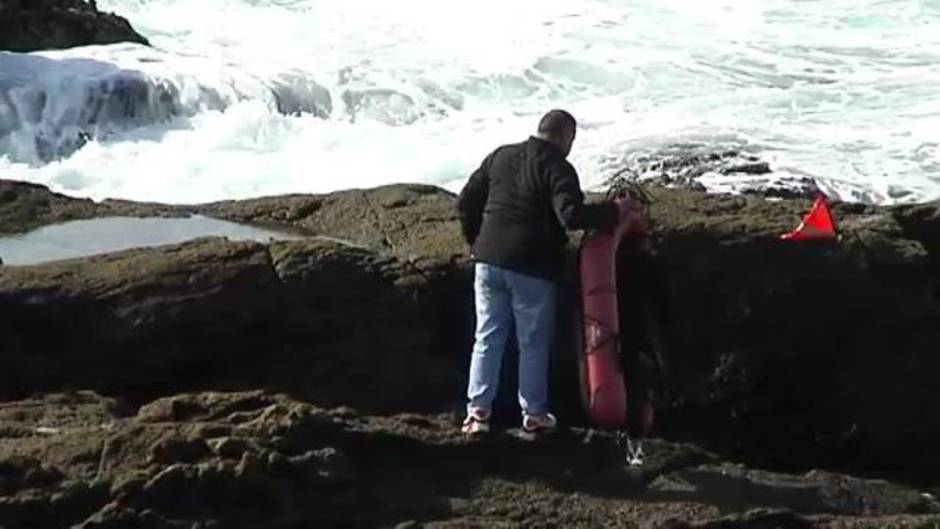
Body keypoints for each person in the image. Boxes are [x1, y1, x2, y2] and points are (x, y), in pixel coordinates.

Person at [457, 109, 632, 435]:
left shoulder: (501, 155)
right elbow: (571, 215)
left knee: (487, 337)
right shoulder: (558, 167)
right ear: (566, 137)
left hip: (488, 260)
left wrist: (474, 241)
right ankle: (534, 415)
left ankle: (477, 414)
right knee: (532, 342)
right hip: (531, 266)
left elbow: (467, 200)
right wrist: (613, 211)